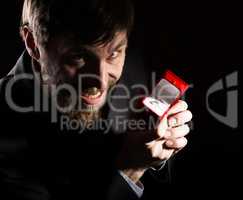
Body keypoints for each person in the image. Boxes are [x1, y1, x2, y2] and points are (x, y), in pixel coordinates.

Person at [0, 0, 193, 199]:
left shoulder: (132, 68)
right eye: (79, 56)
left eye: (114, 54)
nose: (101, 82)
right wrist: (130, 171)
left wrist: (157, 148)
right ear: (33, 43)